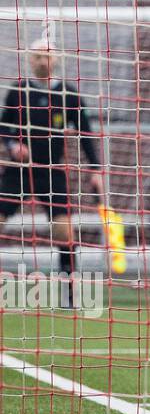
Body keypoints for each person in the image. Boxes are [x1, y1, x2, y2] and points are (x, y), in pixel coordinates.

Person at [0, 40, 103, 309]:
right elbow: (4, 126)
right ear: (30, 60)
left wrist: (95, 170)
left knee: (64, 231)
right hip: (18, 170)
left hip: (52, 170)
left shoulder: (69, 94)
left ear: (56, 58)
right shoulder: (18, 91)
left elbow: (85, 133)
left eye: (46, 56)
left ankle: (69, 294)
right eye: (36, 57)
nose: (41, 61)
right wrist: (13, 145)